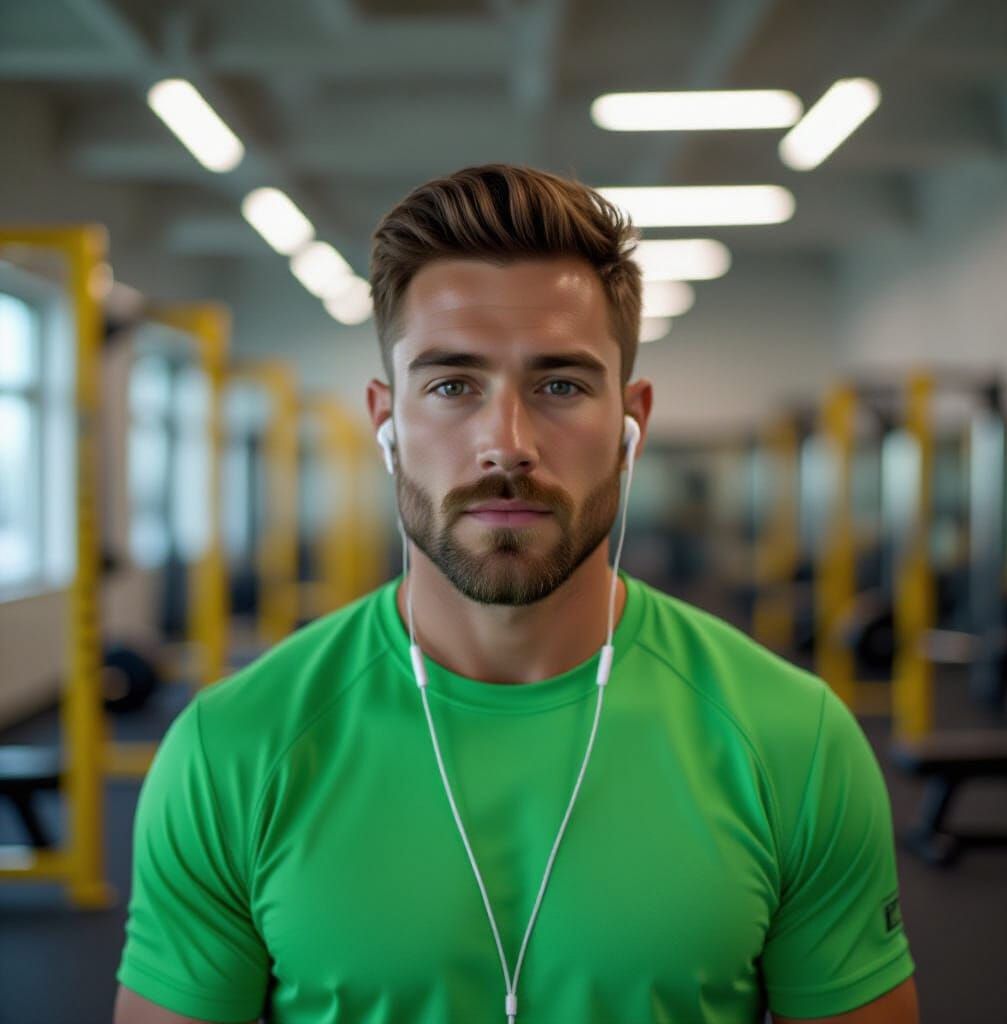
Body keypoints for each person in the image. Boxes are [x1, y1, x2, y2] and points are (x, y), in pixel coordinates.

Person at [114, 164, 918, 1024]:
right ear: (387, 420)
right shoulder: (233, 748)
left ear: (630, 421)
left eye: (561, 385)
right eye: (453, 385)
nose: (507, 443)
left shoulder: (793, 738)